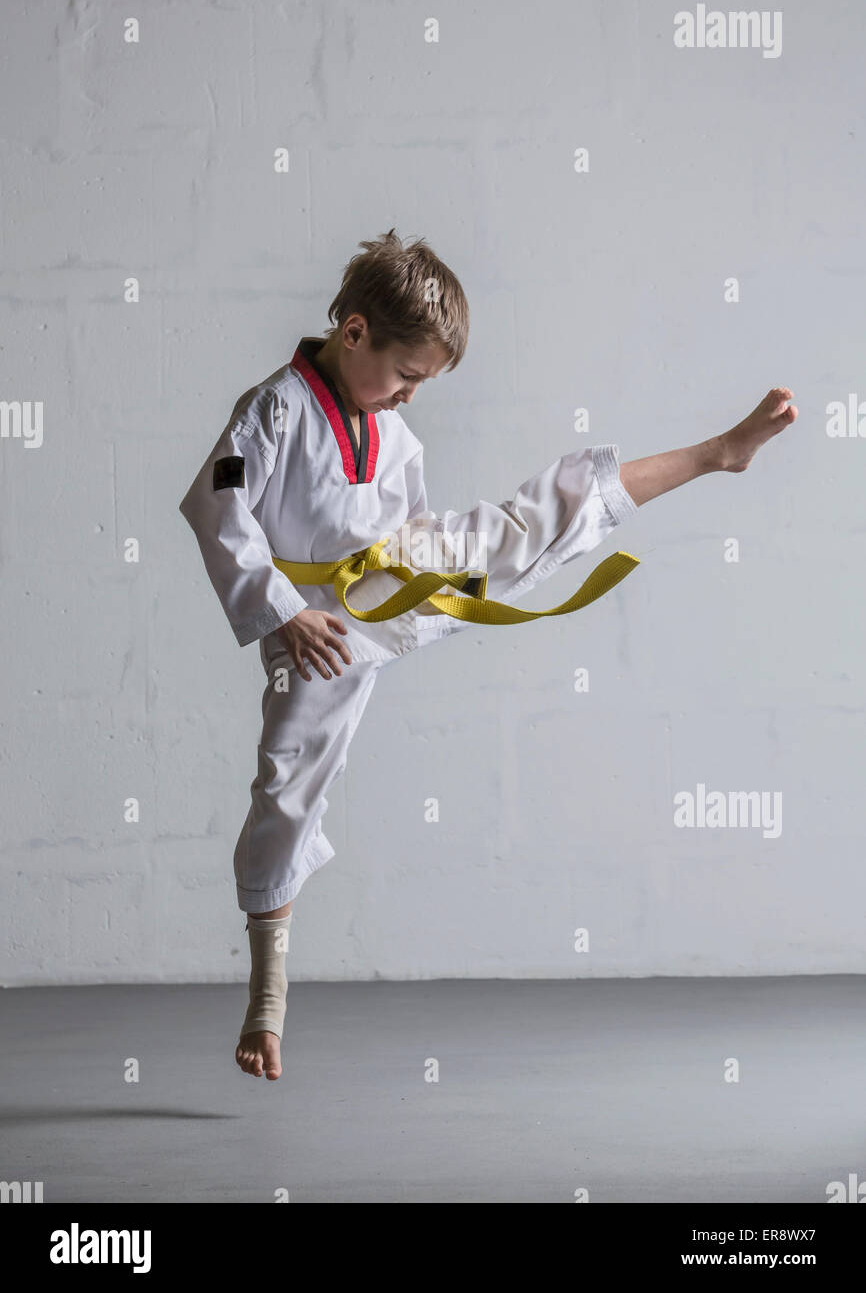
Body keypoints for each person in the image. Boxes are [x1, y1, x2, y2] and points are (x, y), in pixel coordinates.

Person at [178, 229, 798, 1082]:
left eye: (421, 387)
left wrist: (434, 568)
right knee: (286, 787)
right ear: (354, 333)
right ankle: (269, 995)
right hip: (319, 630)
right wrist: (284, 613)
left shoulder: (390, 430)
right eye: (405, 377)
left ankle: (711, 454)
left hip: (401, 572)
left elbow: (412, 513)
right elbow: (217, 506)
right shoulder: (274, 408)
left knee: (524, 525)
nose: (406, 399)